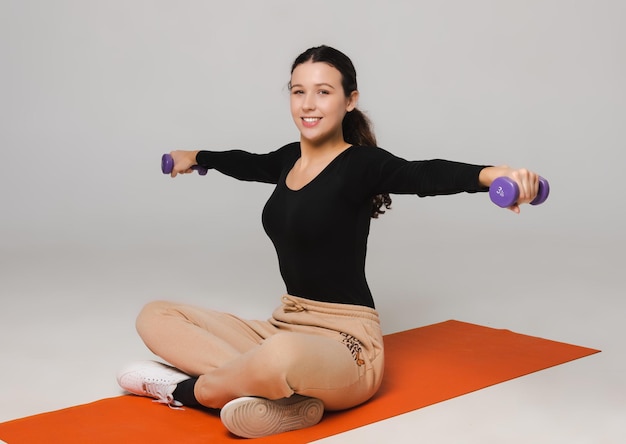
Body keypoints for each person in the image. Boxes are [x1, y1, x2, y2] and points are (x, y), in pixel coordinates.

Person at [117, 45, 542, 439]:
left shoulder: (361, 165)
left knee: (280, 357)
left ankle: (189, 392)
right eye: (298, 91)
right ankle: (286, 400)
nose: (308, 103)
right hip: (283, 324)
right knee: (156, 315)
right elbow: (247, 163)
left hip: (347, 344)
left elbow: (424, 175)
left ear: (349, 100)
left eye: (323, 91)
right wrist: (197, 157)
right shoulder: (288, 159)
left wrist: (491, 175)